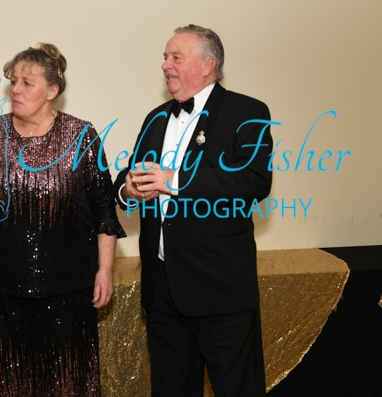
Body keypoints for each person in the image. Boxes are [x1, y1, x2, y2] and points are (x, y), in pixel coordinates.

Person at [0, 43, 126, 396]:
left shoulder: (81, 136)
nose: (16, 89)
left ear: (52, 91)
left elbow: (104, 211)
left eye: (27, 83)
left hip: (69, 287)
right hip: (3, 286)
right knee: (10, 383)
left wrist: (105, 270)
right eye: (13, 81)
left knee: (67, 382)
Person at [113, 25, 273, 396]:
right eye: (165, 57)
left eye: (175, 57)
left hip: (218, 290)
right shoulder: (156, 117)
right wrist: (128, 189)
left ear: (207, 65)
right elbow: (131, 174)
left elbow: (253, 181)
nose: (165, 64)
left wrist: (175, 180)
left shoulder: (247, 112)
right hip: (162, 292)